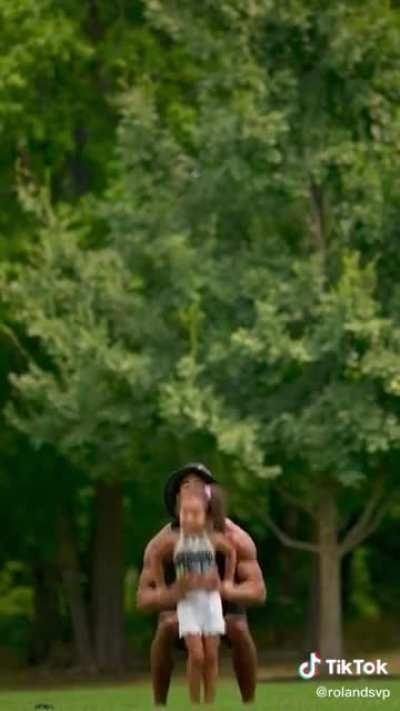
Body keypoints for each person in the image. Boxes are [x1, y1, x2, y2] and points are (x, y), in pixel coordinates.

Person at [137, 463, 266, 705]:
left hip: (222, 606)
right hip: (182, 605)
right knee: (167, 624)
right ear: (177, 502)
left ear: (210, 499)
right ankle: (159, 704)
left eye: (199, 486)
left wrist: (228, 588)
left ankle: (249, 702)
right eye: (186, 486)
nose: (193, 491)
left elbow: (258, 591)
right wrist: (172, 592)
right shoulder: (162, 543)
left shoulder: (234, 538)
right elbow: (143, 599)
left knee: (238, 626)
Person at [154, 482, 236, 703]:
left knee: (211, 655)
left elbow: (231, 552)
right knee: (197, 655)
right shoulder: (174, 540)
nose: (189, 519)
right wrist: (162, 586)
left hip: (211, 602)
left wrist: (227, 580)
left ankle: (208, 703)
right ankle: (194, 701)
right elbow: (155, 558)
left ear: (207, 515)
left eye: (195, 514)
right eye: (184, 514)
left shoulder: (213, 538)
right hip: (188, 603)